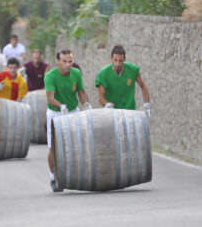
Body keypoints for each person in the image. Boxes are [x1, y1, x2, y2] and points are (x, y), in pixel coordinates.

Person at [44, 49, 92, 192]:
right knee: (53, 147)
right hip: (55, 112)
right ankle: (53, 177)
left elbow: (81, 92)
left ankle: (79, 173)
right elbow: (50, 98)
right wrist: (61, 106)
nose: (68, 64)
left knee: (80, 142)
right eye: (64, 61)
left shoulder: (76, 73)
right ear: (57, 61)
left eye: (70, 61)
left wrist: (86, 105)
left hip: (72, 111)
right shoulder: (50, 76)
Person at [95, 45, 151, 116]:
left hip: (130, 112)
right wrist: (107, 104)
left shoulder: (132, 70)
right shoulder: (104, 74)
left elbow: (143, 87)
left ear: (124, 59)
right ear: (111, 58)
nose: (118, 64)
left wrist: (147, 104)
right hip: (112, 114)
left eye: (120, 61)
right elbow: (100, 97)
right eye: (115, 60)